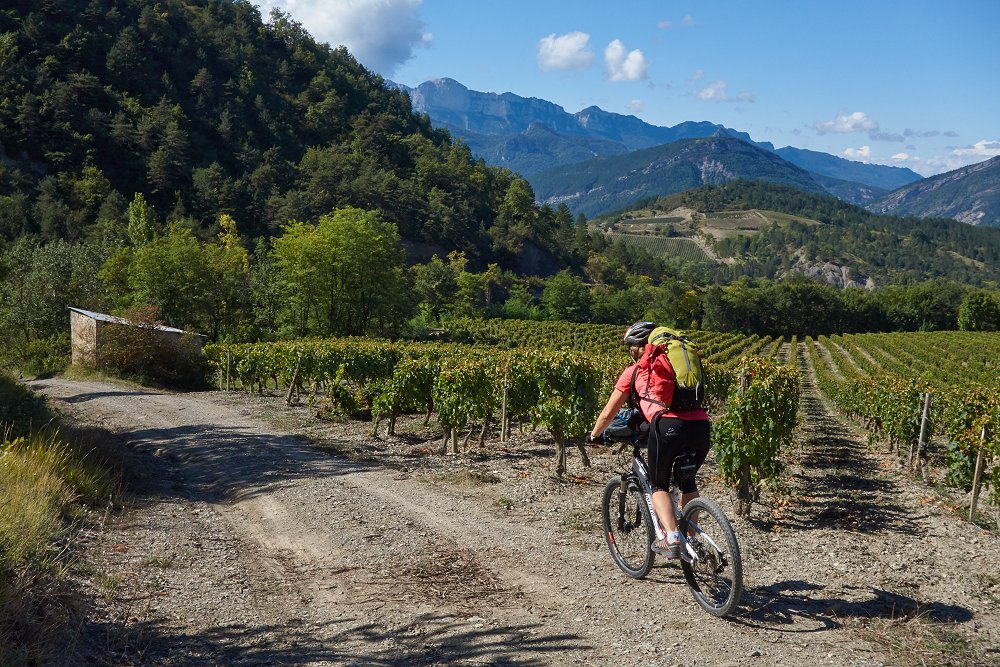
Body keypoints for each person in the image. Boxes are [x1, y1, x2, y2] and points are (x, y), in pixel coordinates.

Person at [585, 321, 711, 559]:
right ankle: (692, 541)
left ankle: (671, 539)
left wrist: (594, 435)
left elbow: (608, 413)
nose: (630, 352)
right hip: (701, 425)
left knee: (658, 485)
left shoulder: (635, 371)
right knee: (688, 482)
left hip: (668, 426)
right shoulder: (677, 367)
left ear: (638, 347)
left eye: (630, 347)